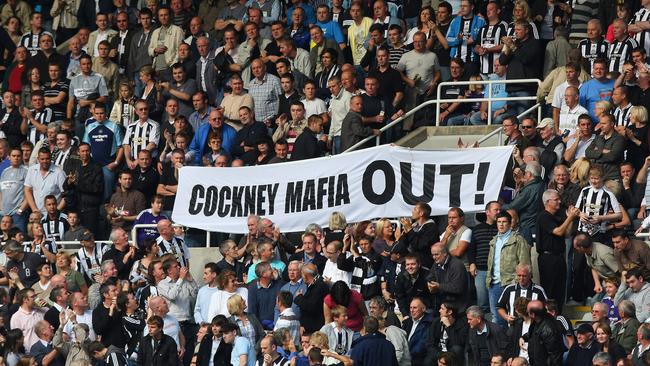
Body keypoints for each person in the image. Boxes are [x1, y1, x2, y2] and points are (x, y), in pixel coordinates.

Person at [536, 189, 580, 311]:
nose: (559, 202)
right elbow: (558, 231)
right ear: (547, 202)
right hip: (548, 258)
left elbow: (566, 233)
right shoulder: (544, 216)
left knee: (560, 290)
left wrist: (569, 218)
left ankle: (558, 315)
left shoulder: (555, 217)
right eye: (556, 200)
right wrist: (570, 217)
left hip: (559, 257)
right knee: (550, 290)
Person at [524, 300, 566, 366]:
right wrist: (523, 338)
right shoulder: (536, 321)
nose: (526, 312)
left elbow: (555, 356)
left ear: (533, 314)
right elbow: (534, 334)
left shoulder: (549, 329)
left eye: (528, 311)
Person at [402, 298, 431, 366]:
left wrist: (407, 354)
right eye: (410, 307)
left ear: (423, 309)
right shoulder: (407, 322)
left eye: (415, 308)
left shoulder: (428, 323)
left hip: (417, 358)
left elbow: (422, 345)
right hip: (405, 356)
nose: (412, 310)